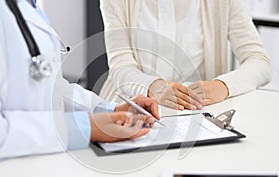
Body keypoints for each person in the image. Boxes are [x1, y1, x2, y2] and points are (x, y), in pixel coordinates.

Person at [0, 0, 160, 170]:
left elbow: (50, 87)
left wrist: (109, 110)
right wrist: (84, 128)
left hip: (33, 169)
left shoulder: (24, 4)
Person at [99, 0, 272, 110]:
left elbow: (259, 61)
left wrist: (223, 86)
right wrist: (153, 87)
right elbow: (120, 67)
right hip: (131, 109)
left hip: (198, 113)